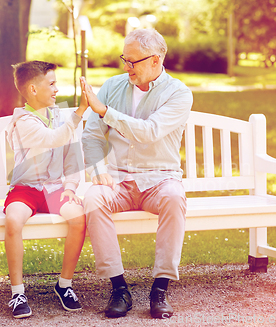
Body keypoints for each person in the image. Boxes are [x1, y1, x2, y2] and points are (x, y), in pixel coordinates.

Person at [80, 29, 193, 319]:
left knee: (174, 197)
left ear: (155, 60)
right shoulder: (112, 86)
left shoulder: (178, 94)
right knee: (93, 199)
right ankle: (119, 289)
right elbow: (92, 135)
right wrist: (97, 170)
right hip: (118, 179)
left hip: (159, 178)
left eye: (133, 62)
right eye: (124, 60)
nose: (126, 67)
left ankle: (160, 289)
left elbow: (149, 132)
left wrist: (106, 111)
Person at [4, 60, 89, 318]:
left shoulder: (59, 116)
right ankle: (17, 292)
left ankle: (64, 285)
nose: (56, 89)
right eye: (51, 84)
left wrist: (71, 187)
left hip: (54, 189)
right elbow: (53, 138)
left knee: (78, 218)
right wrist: (80, 111)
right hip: (26, 189)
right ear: (32, 89)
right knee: (13, 220)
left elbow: (73, 156)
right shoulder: (23, 122)